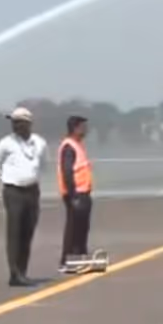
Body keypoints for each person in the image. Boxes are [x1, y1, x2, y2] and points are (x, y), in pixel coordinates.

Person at [0, 107, 48, 286]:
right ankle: (14, 274)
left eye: (18, 122)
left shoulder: (39, 143)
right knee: (14, 232)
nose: (14, 125)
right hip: (13, 191)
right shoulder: (6, 143)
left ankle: (22, 271)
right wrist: (6, 178)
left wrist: (33, 176)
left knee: (28, 232)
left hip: (32, 191)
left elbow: (43, 164)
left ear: (27, 123)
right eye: (13, 122)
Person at [57, 115, 95, 273]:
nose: (86, 130)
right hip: (76, 194)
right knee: (73, 228)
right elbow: (67, 172)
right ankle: (66, 261)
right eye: (83, 127)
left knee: (82, 228)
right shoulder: (69, 147)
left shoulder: (77, 145)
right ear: (75, 128)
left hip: (83, 193)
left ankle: (80, 257)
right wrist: (73, 196)